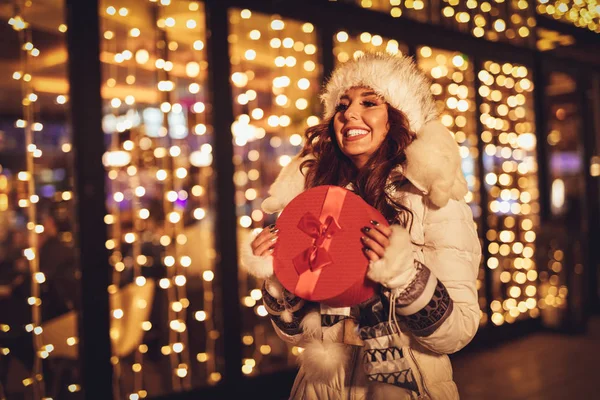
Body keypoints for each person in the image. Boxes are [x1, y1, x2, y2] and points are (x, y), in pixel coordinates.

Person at [241, 53, 482, 399]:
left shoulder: (433, 201)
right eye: (342, 105)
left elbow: (457, 332)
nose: (350, 113)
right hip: (320, 387)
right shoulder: (318, 198)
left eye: (370, 102)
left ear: (397, 119)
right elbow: (293, 335)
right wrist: (279, 278)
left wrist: (405, 278)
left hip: (405, 387)